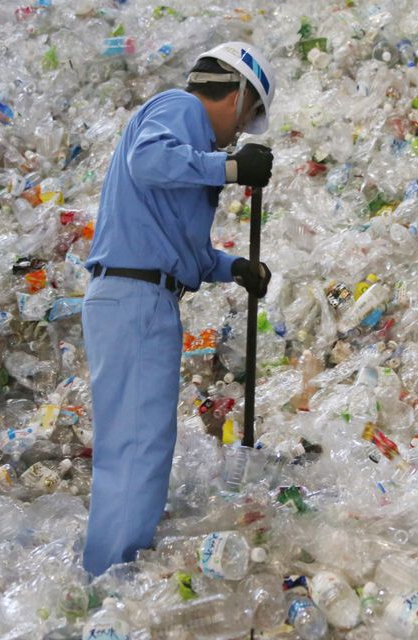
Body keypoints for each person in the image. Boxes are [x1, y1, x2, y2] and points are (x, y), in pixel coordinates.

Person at [80, 42, 277, 576]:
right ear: (236, 95)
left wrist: (231, 266)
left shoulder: (184, 138)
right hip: (136, 300)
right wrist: (231, 167)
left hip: (136, 296)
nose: (240, 133)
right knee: (138, 449)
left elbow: (177, 245)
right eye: (247, 117)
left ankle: (110, 568)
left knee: (135, 444)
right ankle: (111, 582)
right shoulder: (181, 109)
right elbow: (149, 159)